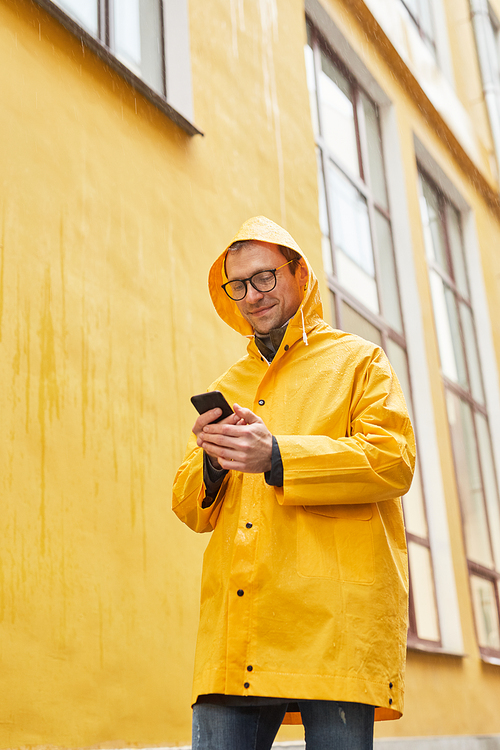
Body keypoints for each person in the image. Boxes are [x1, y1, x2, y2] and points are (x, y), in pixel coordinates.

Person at [172, 216, 415, 750]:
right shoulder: (227, 385)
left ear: (299, 274)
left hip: (335, 630)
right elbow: (190, 509)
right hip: (240, 630)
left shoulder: (360, 361)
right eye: (237, 285)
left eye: (265, 277)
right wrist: (213, 462)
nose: (252, 295)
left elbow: (392, 459)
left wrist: (276, 455)